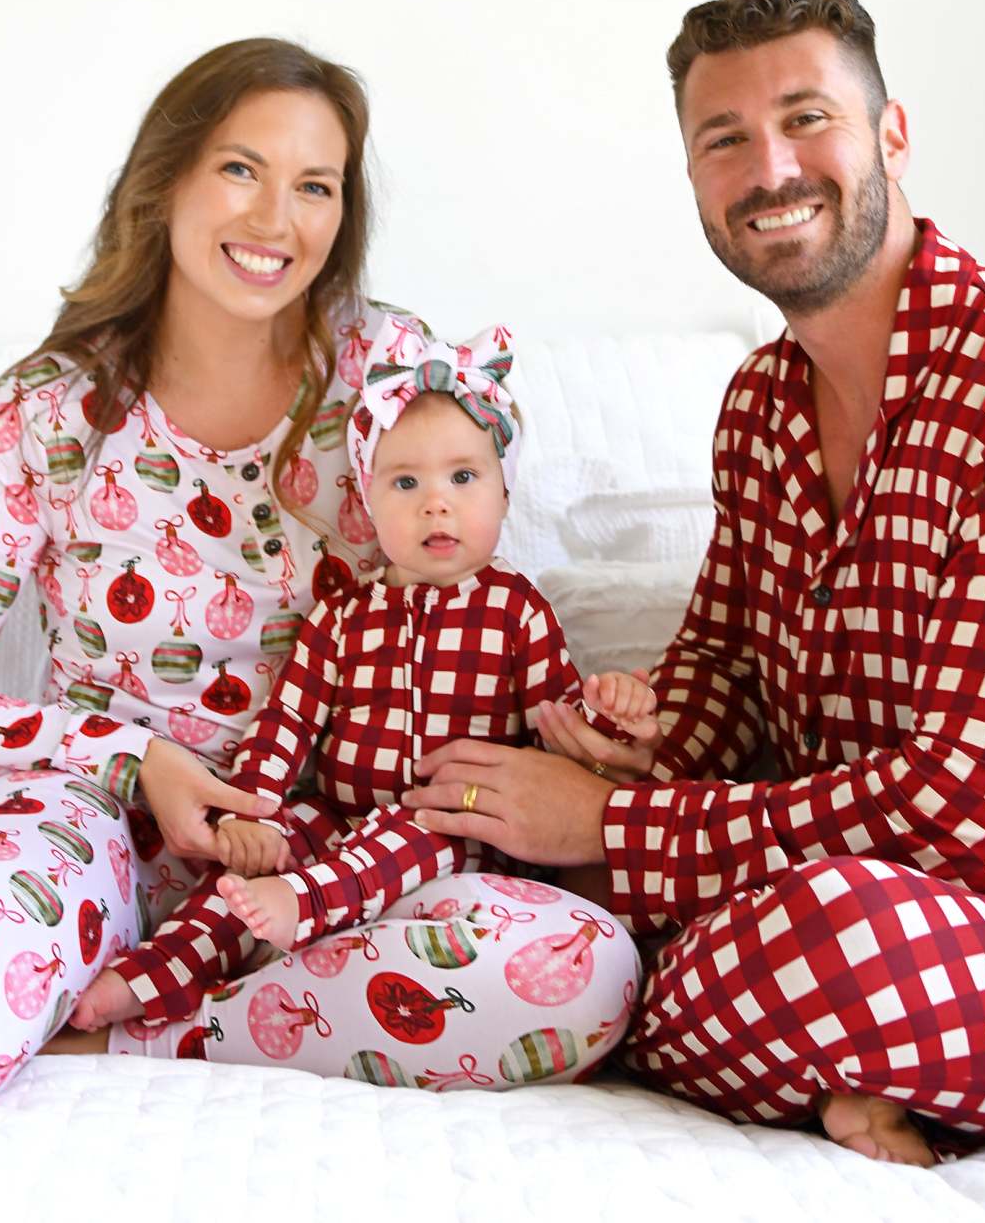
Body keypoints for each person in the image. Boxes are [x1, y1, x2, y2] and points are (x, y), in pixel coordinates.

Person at [402, 0, 985, 1166]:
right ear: (692, 177)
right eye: (724, 139)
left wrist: (613, 824)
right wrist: (632, 733)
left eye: (805, 119)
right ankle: (832, 1066)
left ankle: (708, 1010)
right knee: (534, 888)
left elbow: (972, 814)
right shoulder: (758, 406)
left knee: (823, 933)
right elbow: (725, 665)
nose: (770, 169)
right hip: (854, 894)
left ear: (890, 135)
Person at [0, 38, 639, 1107]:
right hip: (85, 824)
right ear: (165, 183)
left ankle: (137, 1032)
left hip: (325, 859)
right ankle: (57, 978)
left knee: (583, 972)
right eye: (242, 169)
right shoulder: (47, 411)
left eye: (315, 185)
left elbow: (466, 591)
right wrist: (132, 755)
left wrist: (578, 732)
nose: (276, 219)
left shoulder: (389, 376)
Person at [69, 318, 654, 1032]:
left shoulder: (515, 610)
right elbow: (287, 722)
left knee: (416, 828)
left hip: (463, 825)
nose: (435, 502)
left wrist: (606, 712)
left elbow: (557, 729)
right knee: (256, 862)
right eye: (405, 481)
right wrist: (249, 811)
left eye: (463, 477)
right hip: (340, 817)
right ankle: (148, 976)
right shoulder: (344, 616)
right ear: (369, 502)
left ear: (504, 494)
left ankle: (302, 905)